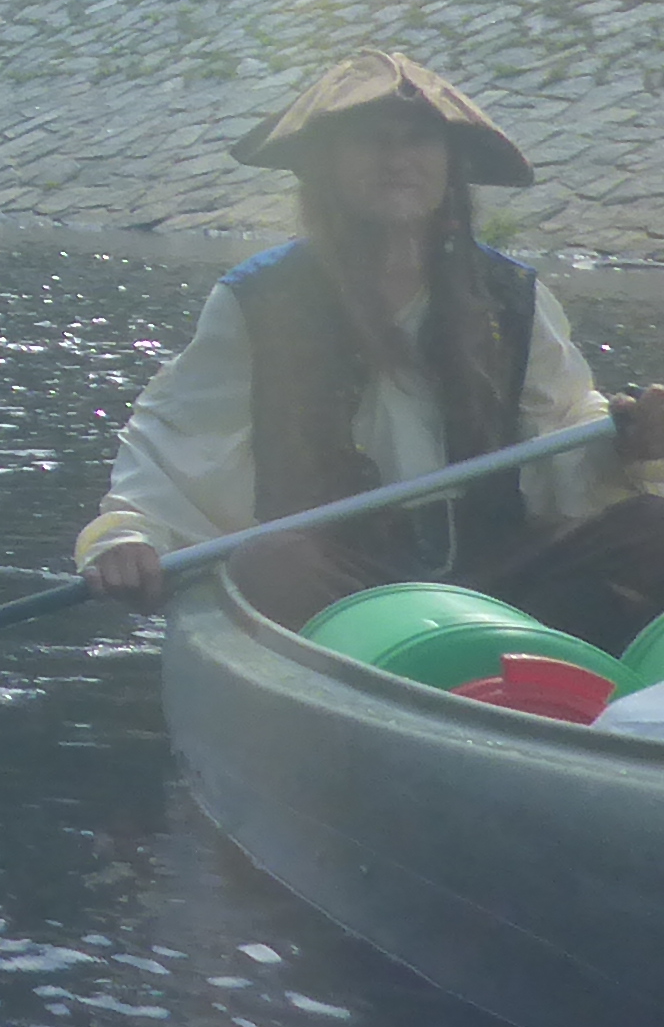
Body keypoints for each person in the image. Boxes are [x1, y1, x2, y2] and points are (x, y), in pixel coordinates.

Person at [79, 49, 664, 650]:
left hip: (499, 569)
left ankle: (570, 675)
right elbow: (175, 436)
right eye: (369, 140)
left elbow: (566, 428)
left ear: (450, 163)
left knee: (654, 526)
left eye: (418, 139)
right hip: (345, 575)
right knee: (269, 562)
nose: (396, 159)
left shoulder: (513, 296)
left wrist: (630, 445)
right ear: (325, 164)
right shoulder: (259, 299)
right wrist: (128, 536)